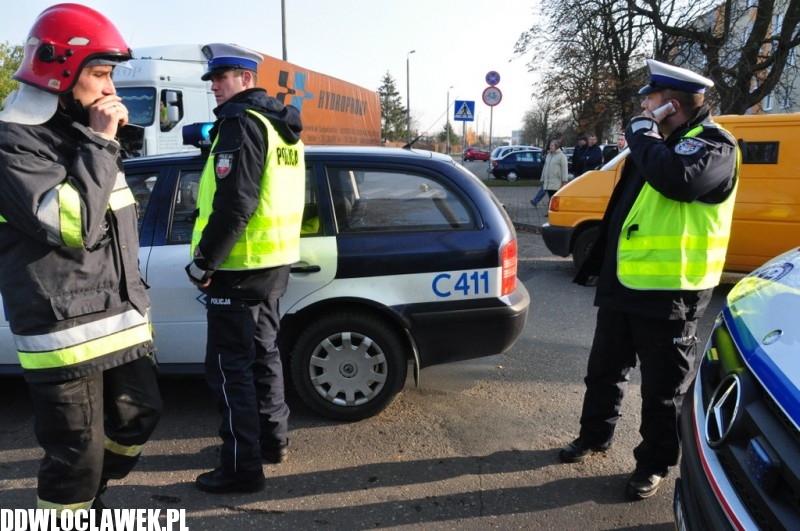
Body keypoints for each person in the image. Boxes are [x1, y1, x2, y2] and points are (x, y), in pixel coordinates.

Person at [0, 4, 163, 511]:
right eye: (101, 74)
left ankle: (91, 494)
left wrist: (101, 142)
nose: (111, 88)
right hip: (62, 331)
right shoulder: (11, 140)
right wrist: (101, 142)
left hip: (118, 318)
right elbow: (72, 228)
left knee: (139, 419)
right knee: (75, 461)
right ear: (60, 72)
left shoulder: (83, 136)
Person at [558, 58, 739, 501]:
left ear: (670, 104)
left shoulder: (715, 144)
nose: (642, 106)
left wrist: (642, 132)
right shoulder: (659, 143)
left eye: (650, 99)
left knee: (662, 390)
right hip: (625, 283)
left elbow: (677, 180)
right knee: (603, 372)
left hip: (672, 291)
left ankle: (654, 464)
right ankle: (594, 436)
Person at [186, 43, 305, 494]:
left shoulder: (241, 123)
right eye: (213, 79)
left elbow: (236, 204)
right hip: (273, 264)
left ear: (246, 79)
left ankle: (241, 468)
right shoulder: (283, 127)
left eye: (222, 77)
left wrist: (205, 261)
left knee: (229, 369)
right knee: (263, 355)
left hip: (238, 267)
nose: (214, 87)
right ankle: (272, 442)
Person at [536, 138, 569, 207]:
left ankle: (554, 211)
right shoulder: (549, 155)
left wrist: (564, 181)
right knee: (551, 198)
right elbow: (545, 167)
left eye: (552, 145)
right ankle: (551, 210)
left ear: (556, 146)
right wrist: (543, 178)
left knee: (554, 199)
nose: (550, 147)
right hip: (548, 182)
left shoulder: (562, 156)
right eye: (550, 145)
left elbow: (564, 170)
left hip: (556, 182)